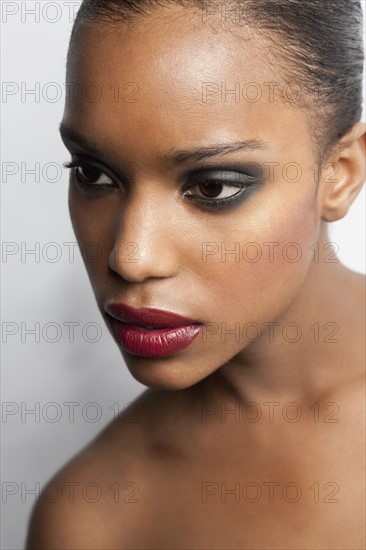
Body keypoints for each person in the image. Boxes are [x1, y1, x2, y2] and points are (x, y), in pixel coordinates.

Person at [26, 0, 365, 547]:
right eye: (93, 174)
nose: (131, 257)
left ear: (339, 174)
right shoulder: (92, 520)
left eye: (213, 186)